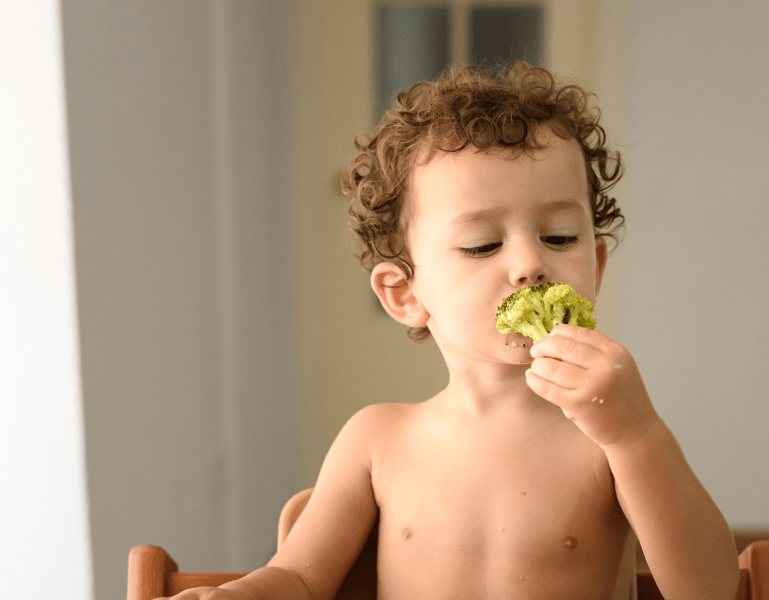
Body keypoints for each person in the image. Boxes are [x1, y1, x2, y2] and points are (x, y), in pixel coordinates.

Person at [160, 62, 739, 600]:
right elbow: (297, 578)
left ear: (598, 266)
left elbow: (709, 590)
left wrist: (636, 437)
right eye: (482, 244)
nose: (530, 264)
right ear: (405, 293)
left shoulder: (609, 442)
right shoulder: (377, 440)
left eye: (560, 236)